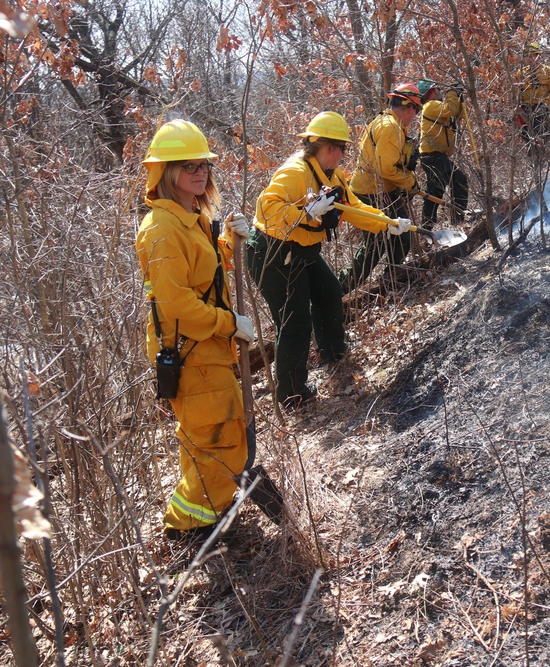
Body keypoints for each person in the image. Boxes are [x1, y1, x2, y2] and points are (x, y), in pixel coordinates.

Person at [137, 119, 274, 543]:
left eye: (204, 165)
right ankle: (190, 526)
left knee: (221, 434)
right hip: (191, 351)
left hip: (208, 348)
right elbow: (177, 307)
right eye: (188, 165)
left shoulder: (191, 218)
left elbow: (203, 277)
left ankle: (208, 511)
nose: (200, 171)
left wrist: (226, 246)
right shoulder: (161, 230)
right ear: (165, 173)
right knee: (214, 439)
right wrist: (230, 323)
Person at [249, 111, 410, 409]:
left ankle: (333, 352)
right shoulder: (295, 172)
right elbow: (266, 209)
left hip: (304, 250)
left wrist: (386, 222)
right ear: (329, 148)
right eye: (342, 149)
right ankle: (292, 394)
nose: (343, 155)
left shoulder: (333, 176)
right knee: (294, 322)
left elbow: (353, 208)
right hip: (273, 253)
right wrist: (306, 214)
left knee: (329, 292)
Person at [338, 82, 423, 293]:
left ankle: (390, 279)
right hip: (371, 193)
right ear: (410, 108)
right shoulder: (389, 127)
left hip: (380, 190)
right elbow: (385, 169)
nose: (414, 117)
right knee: (375, 246)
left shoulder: (388, 123)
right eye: (416, 112)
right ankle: (340, 289)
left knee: (401, 237)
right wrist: (411, 182)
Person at [417, 78, 469, 229]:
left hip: (440, 156)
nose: (441, 92)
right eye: (438, 89)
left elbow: (455, 116)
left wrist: (458, 99)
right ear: (432, 91)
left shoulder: (438, 108)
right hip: (432, 156)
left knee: (459, 180)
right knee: (435, 192)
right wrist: (452, 92)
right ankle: (426, 228)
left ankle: (458, 220)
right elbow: (450, 109)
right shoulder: (431, 105)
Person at [515, 42, 550, 155]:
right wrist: (517, 107)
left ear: (539, 55)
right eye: (528, 56)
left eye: (533, 55)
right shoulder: (521, 72)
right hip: (525, 108)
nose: (531, 58)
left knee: (542, 133)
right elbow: (517, 91)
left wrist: (546, 103)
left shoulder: (547, 70)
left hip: (540, 106)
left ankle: (547, 157)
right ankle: (534, 159)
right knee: (527, 135)